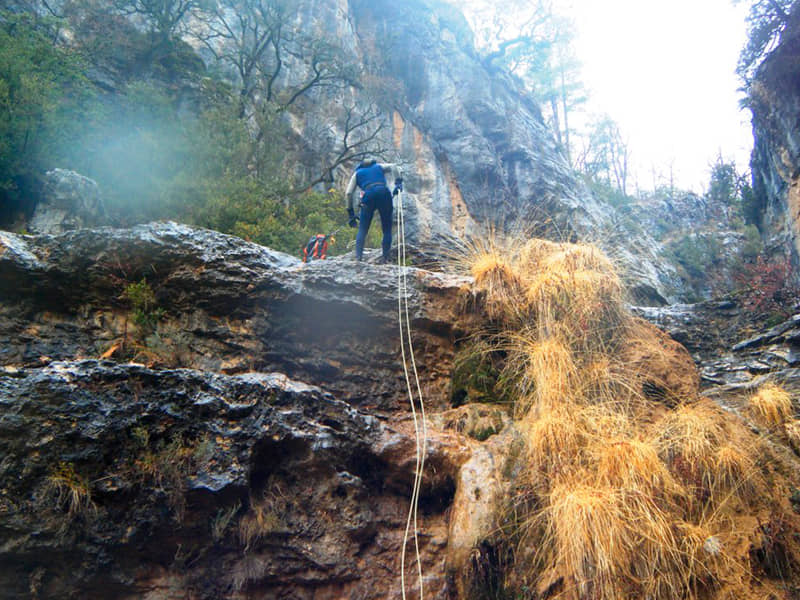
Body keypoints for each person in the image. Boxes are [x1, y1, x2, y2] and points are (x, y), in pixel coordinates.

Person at [344, 159, 403, 263]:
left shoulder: (357, 174)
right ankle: (385, 258)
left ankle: (358, 258)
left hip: (368, 196)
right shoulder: (378, 167)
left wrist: (351, 213)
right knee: (387, 228)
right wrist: (398, 183)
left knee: (363, 228)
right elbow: (393, 165)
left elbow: (348, 193)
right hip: (383, 193)